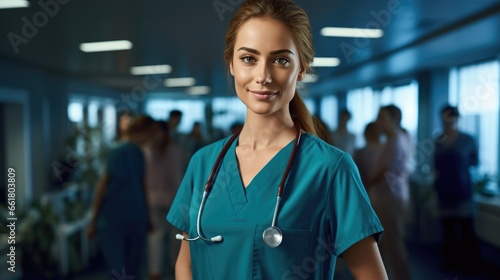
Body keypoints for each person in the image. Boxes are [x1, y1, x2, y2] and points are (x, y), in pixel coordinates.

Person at [167, 1, 387, 279]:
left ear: (302, 69)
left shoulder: (330, 169)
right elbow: (186, 263)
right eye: (249, 58)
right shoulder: (203, 163)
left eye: (281, 60)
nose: (263, 76)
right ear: (231, 64)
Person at [87, 115, 155, 279]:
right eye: (150, 133)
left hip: (132, 217)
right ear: (143, 131)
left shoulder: (137, 154)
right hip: (117, 218)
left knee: (131, 267)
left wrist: (148, 216)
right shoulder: (119, 152)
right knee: (121, 268)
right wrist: (94, 220)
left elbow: (142, 185)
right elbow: (102, 188)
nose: (151, 138)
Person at [366, 105, 412, 279]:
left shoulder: (395, 142)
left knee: (393, 244)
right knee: (385, 245)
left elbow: (382, 172)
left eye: (383, 117)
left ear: (395, 119)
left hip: (389, 198)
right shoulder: (395, 139)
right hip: (389, 197)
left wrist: (364, 185)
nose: (379, 121)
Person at [433, 105, 480, 271]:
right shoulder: (438, 141)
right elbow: (435, 166)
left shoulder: (467, 140)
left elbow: (474, 162)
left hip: (463, 191)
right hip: (444, 193)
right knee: (448, 231)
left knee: (467, 230)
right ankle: (449, 263)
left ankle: (469, 265)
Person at [144, 121, 186, 280]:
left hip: (153, 199)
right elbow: (178, 177)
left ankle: (155, 271)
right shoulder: (175, 150)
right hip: (173, 199)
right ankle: (176, 269)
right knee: (175, 237)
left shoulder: (147, 151)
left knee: (156, 237)